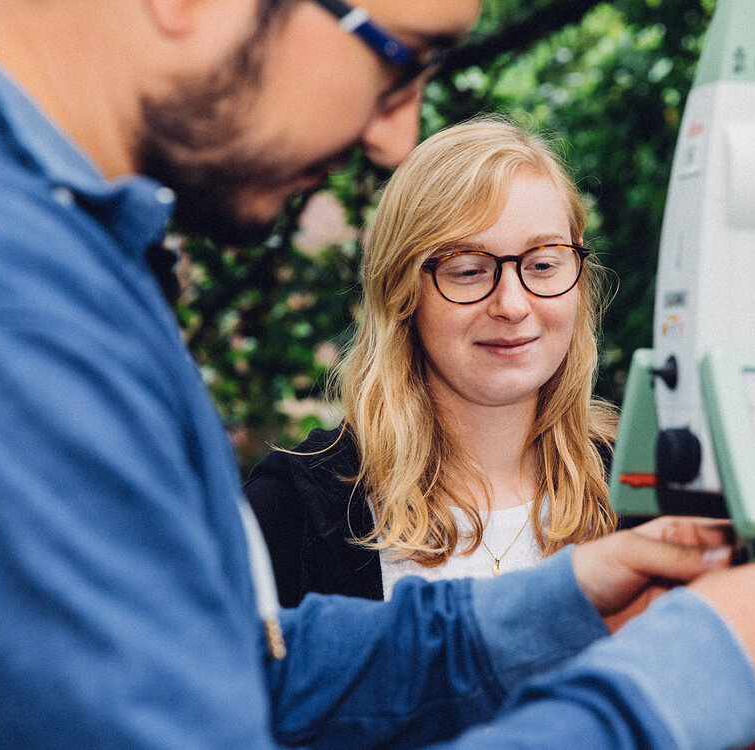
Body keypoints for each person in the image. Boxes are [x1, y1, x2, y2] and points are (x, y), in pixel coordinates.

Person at [0, 0, 755, 748]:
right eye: (398, 58)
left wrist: (560, 598)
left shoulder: (27, 227)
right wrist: (687, 685)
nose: (394, 137)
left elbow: (250, 673)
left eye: (542, 263)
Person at [245, 117, 620, 604]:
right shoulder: (293, 511)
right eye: (467, 270)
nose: (512, 304)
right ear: (402, 292)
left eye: (543, 264)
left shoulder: (641, 495)